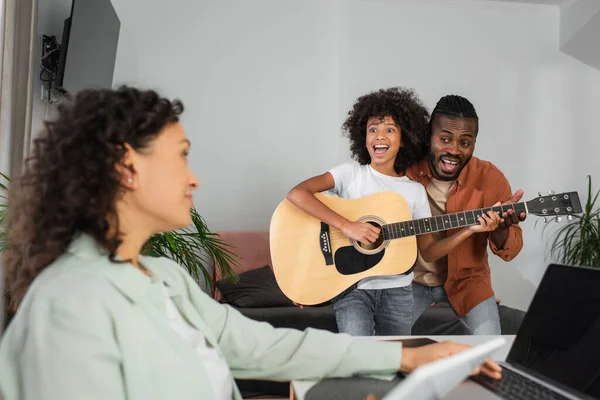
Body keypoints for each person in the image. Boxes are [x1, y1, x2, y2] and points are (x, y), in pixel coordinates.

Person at [0, 87, 501, 400]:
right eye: (182, 157)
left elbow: (259, 344)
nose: (194, 179)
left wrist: (407, 358)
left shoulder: (165, 277)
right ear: (127, 168)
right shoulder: (66, 307)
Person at [286, 87, 502, 336]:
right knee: (358, 356)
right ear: (362, 136)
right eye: (372, 129)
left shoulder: (414, 191)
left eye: (389, 129)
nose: (380, 136)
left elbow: (430, 252)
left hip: (398, 293)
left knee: (394, 361)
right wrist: (348, 226)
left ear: (405, 138)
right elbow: (297, 194)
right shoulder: (350, 174)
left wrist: (468, 230)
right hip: (353, 289)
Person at [407, 94, 526, 335]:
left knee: (489, 351)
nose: (453, 150)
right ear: (429, 136)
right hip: (408, 283)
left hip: (468, 282)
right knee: (379, 346)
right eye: (445, 139)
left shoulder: (490, 178)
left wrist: (502, 227)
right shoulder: (405, 171)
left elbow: (510, 251)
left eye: (465, 142)